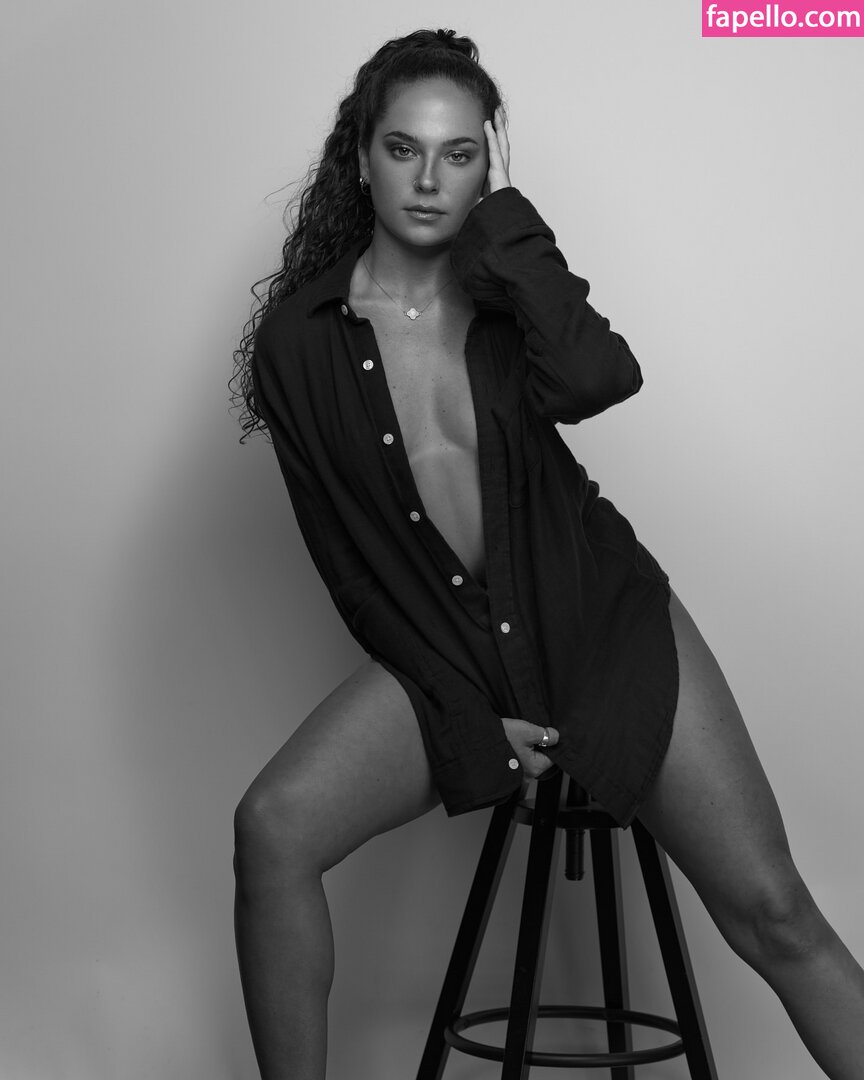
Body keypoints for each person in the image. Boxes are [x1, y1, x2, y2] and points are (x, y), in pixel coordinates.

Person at [229, 28, 864, 1080]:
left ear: (488, 163)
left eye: (460, 154)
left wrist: (511, 228)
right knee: (272, 828)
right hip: (452, 652)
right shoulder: (299, 340)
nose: (429, 180)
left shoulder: (505, 288)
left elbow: (599, 379)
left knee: (775, 912)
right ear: (360, 156)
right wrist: (462, 717)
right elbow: (349, 567)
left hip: (598, 620)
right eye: (403, 149)